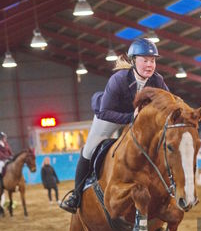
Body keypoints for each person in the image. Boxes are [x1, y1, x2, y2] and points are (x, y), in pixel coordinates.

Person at [60, 38, 169, 214]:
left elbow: (169, 103)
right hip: (109, 117)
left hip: (135, 120)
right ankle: (76, 196)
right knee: (89, 150)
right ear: (134, 61)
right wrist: (130, 117)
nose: (150, 65)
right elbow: (104, 112)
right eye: (145, 60)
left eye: (153, 60)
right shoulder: (118, 80)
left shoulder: (157, 80)